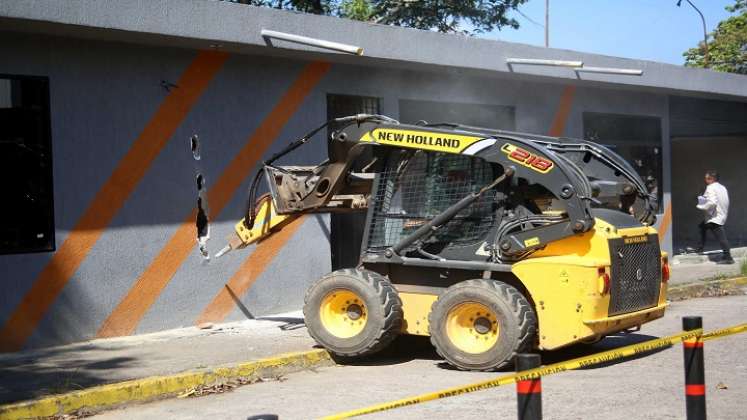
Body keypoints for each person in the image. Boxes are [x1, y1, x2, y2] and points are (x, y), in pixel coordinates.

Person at [688, 170, 733, 264]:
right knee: (702, 227)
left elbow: (712, 202)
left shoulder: (710, 187)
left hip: (714, 217)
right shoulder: (722, 187)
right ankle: (700, 248)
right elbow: (725, 201)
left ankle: (728, 258)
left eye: (706, 178)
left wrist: (701, 206)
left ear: (712, 179)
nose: (705, 180)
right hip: (720, 214)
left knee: (721, 237)